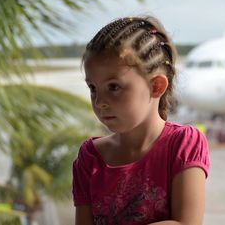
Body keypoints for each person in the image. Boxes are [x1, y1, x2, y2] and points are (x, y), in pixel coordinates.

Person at [72, 16, 210, 225]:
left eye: (114, 87)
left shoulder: (183, 144)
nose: (100, 102)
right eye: (93, 88)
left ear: (156, 87)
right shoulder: (90, 158)